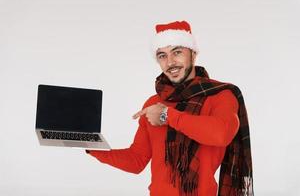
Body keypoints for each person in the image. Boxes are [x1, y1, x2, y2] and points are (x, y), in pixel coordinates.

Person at [86, 20, 254, 196]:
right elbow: (136, 160)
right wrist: (92, 147)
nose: (170, 62)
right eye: (162, 55)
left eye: (177, 52)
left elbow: (221, 134)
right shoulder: (153, 103)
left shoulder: (221, 95)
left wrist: (167, 115)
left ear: (193, 54)